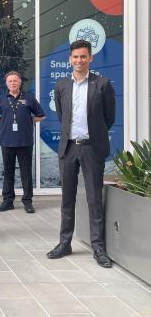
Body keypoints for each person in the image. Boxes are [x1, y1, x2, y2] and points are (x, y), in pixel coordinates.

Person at [47, 39, 116, 268]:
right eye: (75, 57)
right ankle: (64, 243)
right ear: (70, 59)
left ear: (90, 58)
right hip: (68, 148)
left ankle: (98, 248)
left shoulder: (103, 84)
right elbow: (62, 117)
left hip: (91, 148)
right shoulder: (61, 86)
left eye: (83, 56)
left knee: (94, 198)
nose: (79, 60)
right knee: (67, 198)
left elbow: (109, 118)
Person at [0, 71, 45, 213]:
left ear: (20, 82)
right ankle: (8, 201)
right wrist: (5, 123)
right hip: (7, 142)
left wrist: (30, 121)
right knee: (8, 172)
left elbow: (41, 115)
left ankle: (27, 201)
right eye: (10, 81)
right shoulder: (1, 99)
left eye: (15, 81)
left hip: (25, 141)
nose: (13, 83)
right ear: (6, 83)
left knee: (26, 172)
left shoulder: (29, 98)